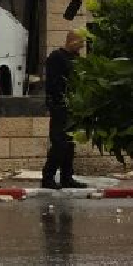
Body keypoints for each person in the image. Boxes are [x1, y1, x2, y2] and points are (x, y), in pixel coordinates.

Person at [42, 30, 87, 190]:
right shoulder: (56, 57)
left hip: (73, 106)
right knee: (59, 143)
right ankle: (48, 177)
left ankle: (67, 177)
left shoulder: (75, 58)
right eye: (80, 43)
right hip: (60, 105)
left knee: (69, 144)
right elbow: (53, 83)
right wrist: (57, 102)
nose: (81, 47)